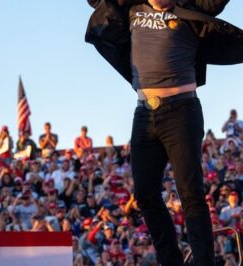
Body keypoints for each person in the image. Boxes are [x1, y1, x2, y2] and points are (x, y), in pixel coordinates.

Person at [86, 0, 243, 265]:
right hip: (144, 113)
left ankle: (204, 261)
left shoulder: (190, 10)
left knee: (190, 193)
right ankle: (171, 261)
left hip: (182, 110)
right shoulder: (132, 8)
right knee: (145, 195)